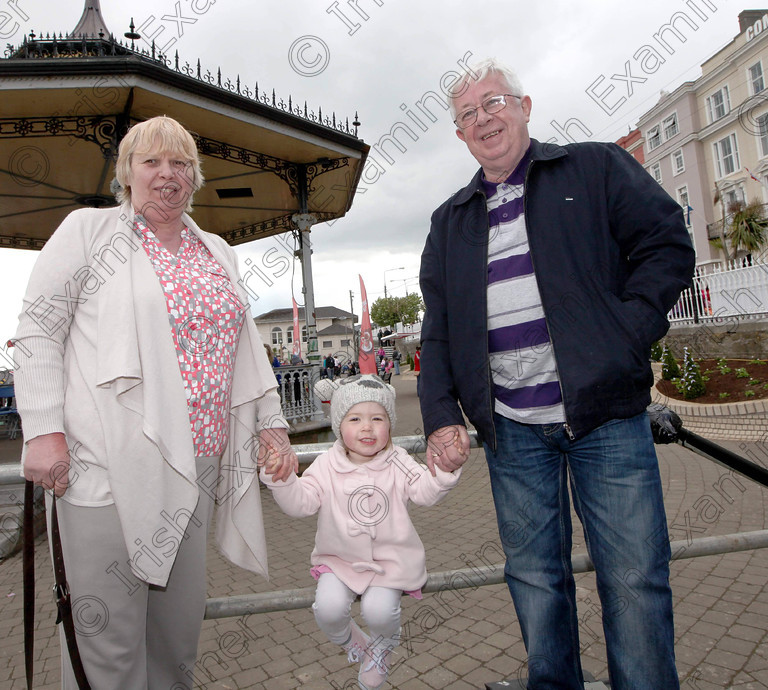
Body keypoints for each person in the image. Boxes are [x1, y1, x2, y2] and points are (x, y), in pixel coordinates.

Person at [418, 58, 694, 689]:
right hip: (512, 433)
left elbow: (666, 244)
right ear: (460, 135)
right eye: (468, 113)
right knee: (536, 582)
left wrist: (624, 334)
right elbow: (438, 329)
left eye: (494, 103)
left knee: (634, 580)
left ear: (525, 106)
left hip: (607, 421)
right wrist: (438, 416)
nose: (484, 118)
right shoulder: (450, 220)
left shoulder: (593, 168)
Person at [14, 116, 297, 690]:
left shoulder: (217, 250)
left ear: (194, 177)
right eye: (152, 162)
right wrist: (43, 429)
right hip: (105, 470)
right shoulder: (89, 232)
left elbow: (244, 346)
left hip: (196, 469)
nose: (167, 175)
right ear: (126, 173)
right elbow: (38, 329)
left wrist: (270, 423)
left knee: (175, 642)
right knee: (108, 647)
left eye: (180, 164)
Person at [260, 375, 461, 689]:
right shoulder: (326, 465)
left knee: (379, 609)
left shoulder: (399, 461)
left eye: (377, 419)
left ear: (389, 426)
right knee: (327, 609)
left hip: (390, 562)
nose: (367, 428)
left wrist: (443, 472)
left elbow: (424, 491)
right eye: (355, 418)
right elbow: (301, 503)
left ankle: (382, 649)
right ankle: (359, 645)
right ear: (339, 424)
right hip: (339, 561)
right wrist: (282, 479)